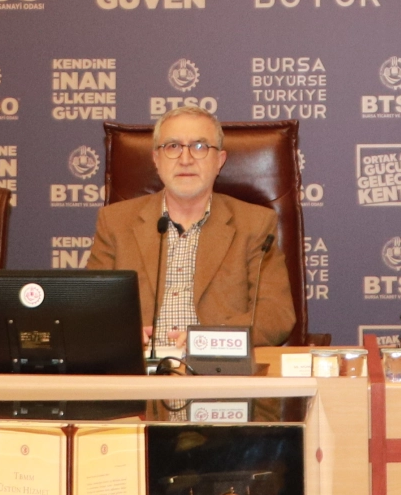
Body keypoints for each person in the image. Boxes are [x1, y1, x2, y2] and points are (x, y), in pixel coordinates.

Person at [87, 107, 295, 350]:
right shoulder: (115, 222)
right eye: (173, 146)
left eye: (199, 146)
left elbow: (276, 315)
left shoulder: (255, 224)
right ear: (156, 159)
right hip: (140, 367)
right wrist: (120, 334)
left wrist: (208, 339)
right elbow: (90, 308)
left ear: (219, 161)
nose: (185, 159)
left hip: (214, 366)